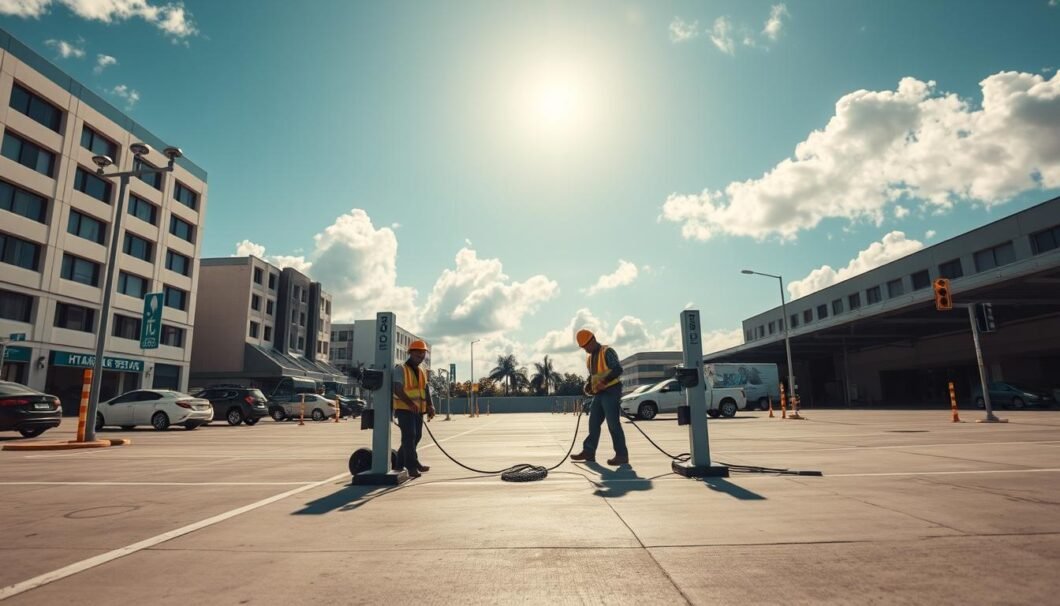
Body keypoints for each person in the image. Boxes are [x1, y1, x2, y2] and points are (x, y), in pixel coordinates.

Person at [570, 329, 629, 466]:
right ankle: (589, 451)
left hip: (612, 390)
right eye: (583, 347)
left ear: (593, 340)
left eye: (586, 346)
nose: (585, 350)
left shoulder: (607, 351)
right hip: (599, 393)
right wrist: (588, 386)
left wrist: (604, 382)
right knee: (593, 422)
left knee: (613, 423)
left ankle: (621, 455)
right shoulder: (590, 359)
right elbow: (592, 377)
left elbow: (618, 369)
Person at [393, 340, 436, 478]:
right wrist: (410, 403)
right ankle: (412, 467)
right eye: (418, 351)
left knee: (415, 436)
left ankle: (399, 464)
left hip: (418, 410)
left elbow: (426, 389)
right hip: (404, 409)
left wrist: (430, 405)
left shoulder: (422, 370)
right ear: (410, 353)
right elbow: (397, 389)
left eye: (423, 352)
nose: (421, 354)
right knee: (409, 436)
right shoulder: (401, 369)